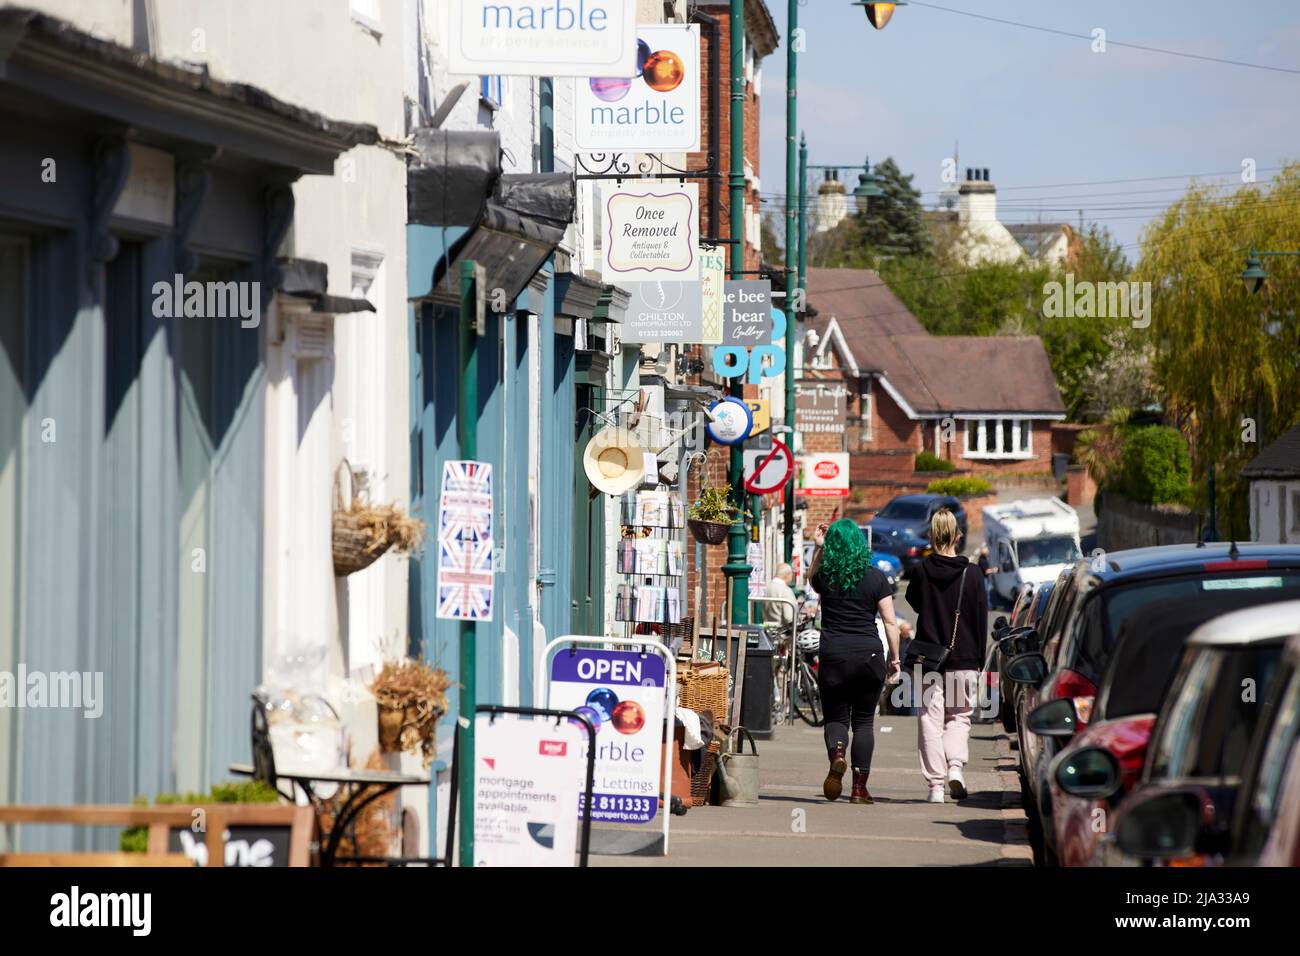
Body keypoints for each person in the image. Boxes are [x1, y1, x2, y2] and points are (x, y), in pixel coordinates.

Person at [807, 518, 902, 804]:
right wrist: (894, 659)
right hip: (869, 656)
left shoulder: (827, 576)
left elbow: (812, 580)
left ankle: (837, 753)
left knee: (836, 718)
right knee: (863, 723)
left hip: (833, 655)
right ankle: (859, 789)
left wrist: (818, 548)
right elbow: (889, 622)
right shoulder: (875, 577)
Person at [904, 509, 988, 804]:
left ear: (931, 536)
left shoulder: (921, 572)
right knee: (960, 717)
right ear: (958, 536)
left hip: (928, 658)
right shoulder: (974, 573)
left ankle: (936, 787)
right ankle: (955, 767)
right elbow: (981, 619)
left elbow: (913, 602)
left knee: (930, 719)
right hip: (965, 658)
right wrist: (980, 660)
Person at [763, 563, 797, 628]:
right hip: (781, 632)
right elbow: (789, 617)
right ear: (787, 575)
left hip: (767, 630)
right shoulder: (785, 590)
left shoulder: (768, 588)